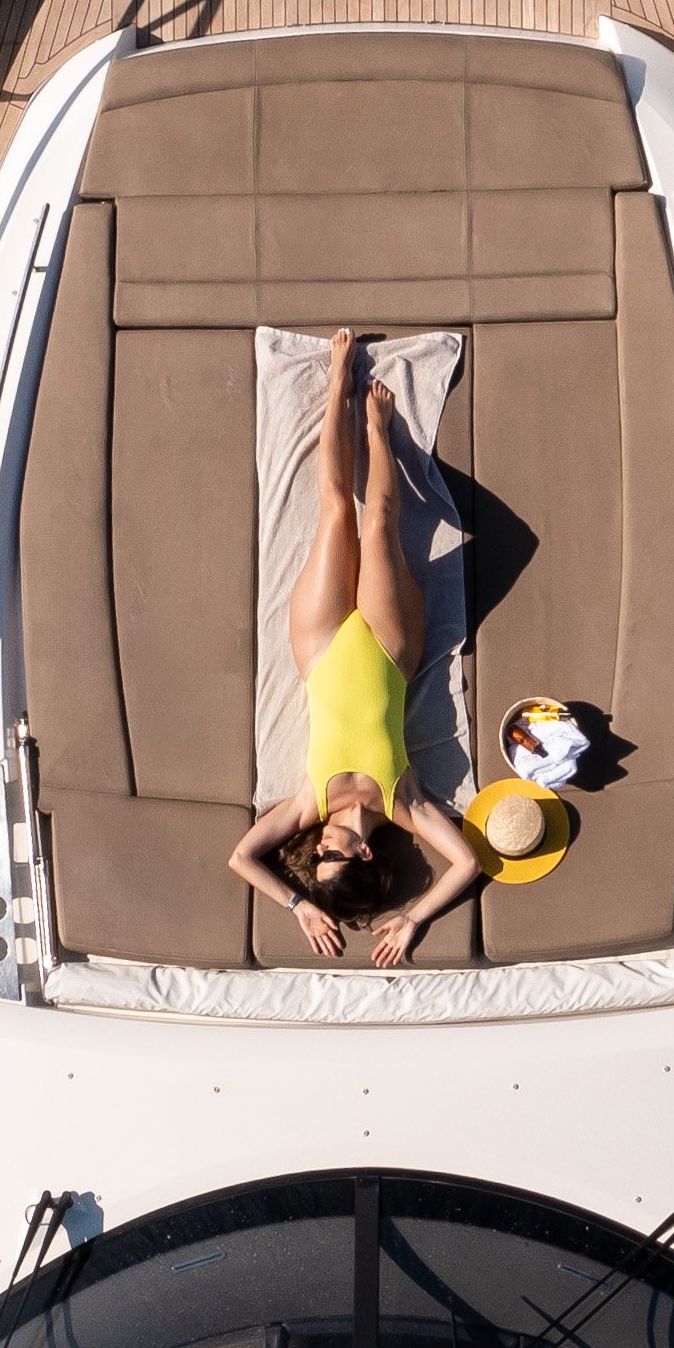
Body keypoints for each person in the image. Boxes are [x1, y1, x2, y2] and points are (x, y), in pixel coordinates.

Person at [228, 332, 495, 964]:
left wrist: (301, 906)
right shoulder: (405, 804)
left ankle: (337, 379)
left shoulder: (305, 808)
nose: (316, 847)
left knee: (331, 513)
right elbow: (468, 861)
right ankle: (378, 427)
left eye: (313, 859)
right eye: (330, 856)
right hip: (388, 648)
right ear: (365, 852)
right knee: (375, 521)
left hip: (319, 651)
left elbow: (241, 858)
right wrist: (409, 919)